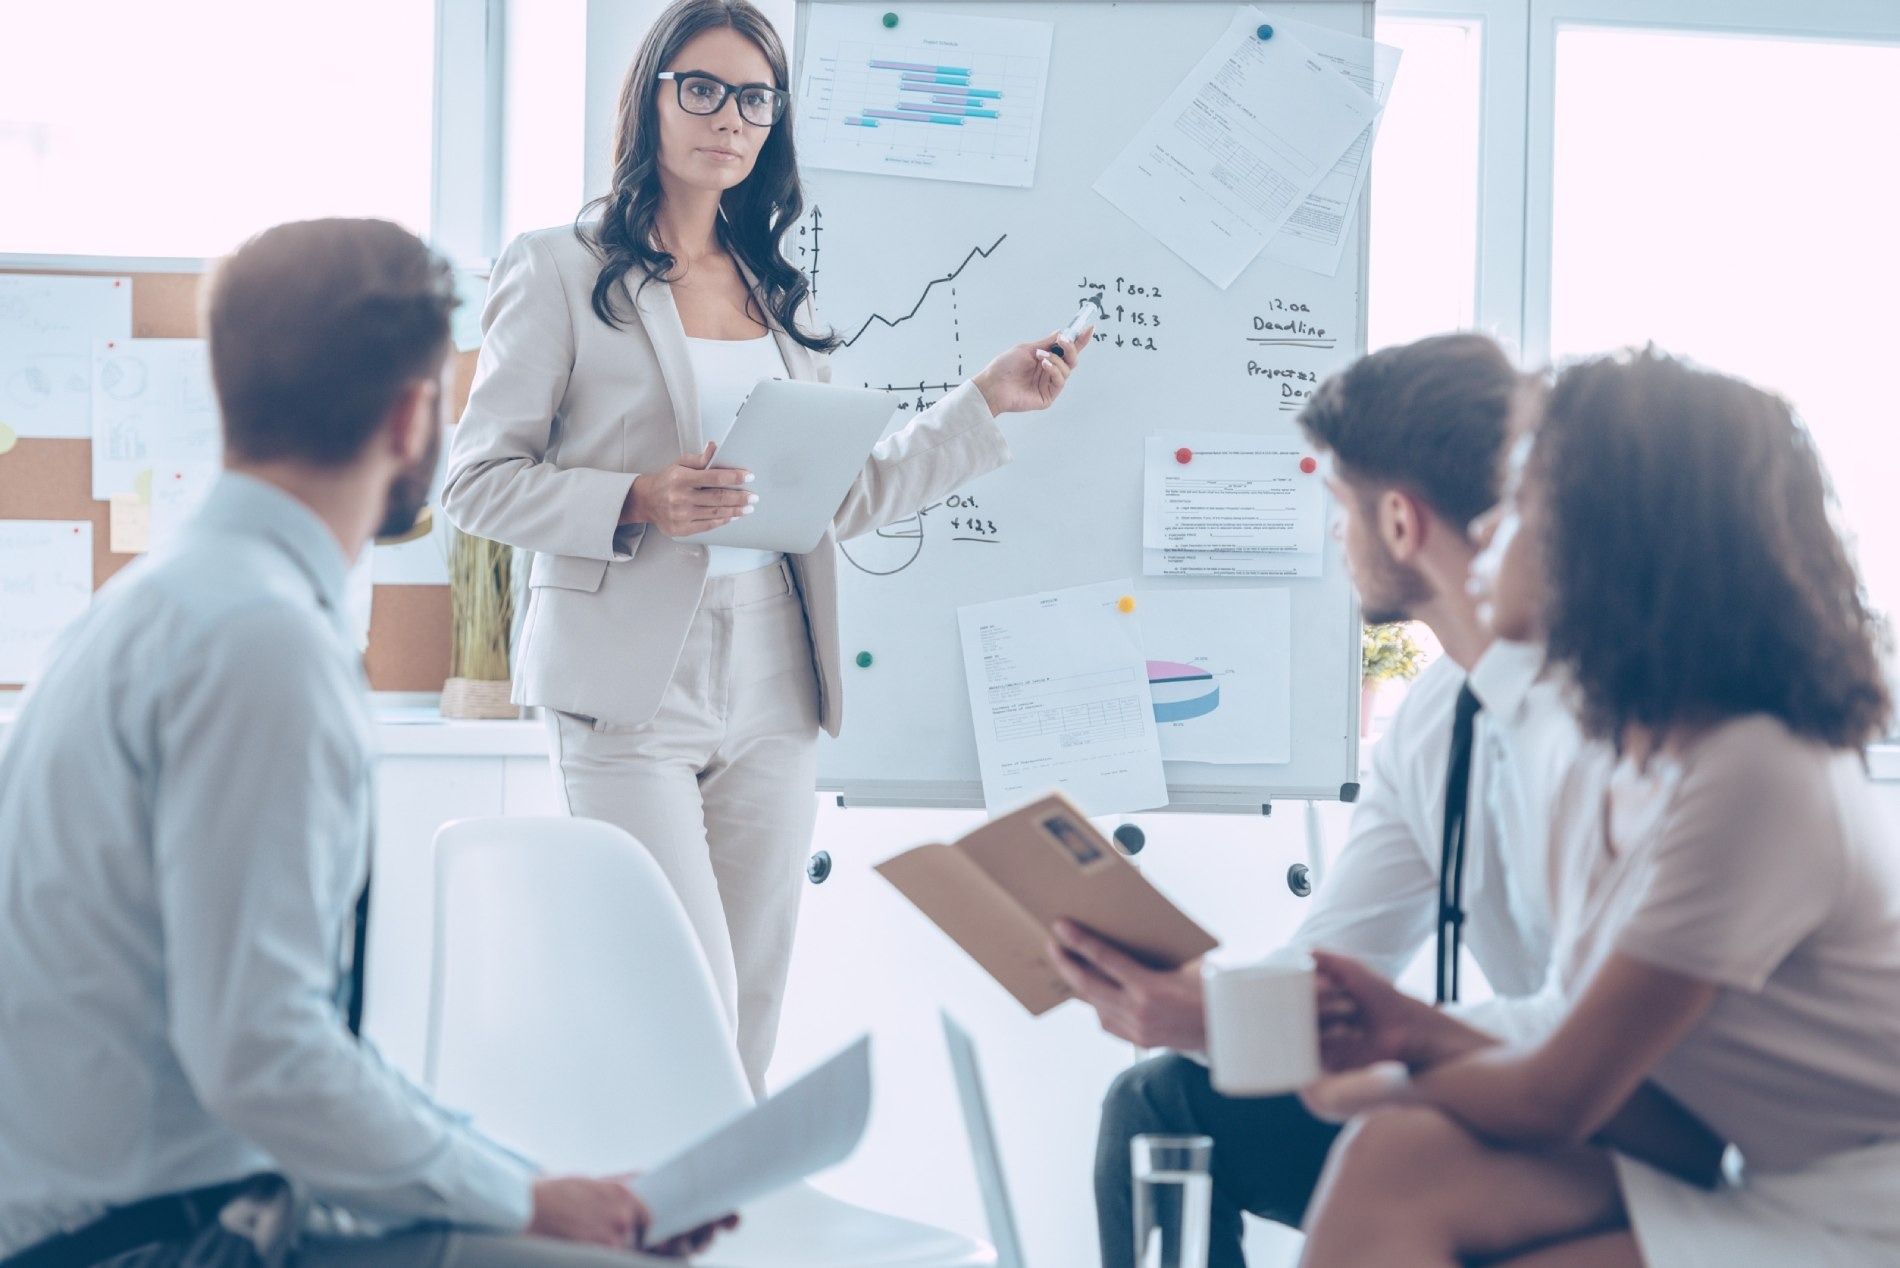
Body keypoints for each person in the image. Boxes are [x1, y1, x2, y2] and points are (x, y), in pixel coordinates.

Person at [0, 219, 733, 1266]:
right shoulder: (262, 645)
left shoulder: (157, 607)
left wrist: (524, 1183)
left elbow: (270, 1044)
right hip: (142, 1239)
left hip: (112, 1208)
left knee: (553, 1233)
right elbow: (265, 1055)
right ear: (409, 415)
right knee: (597, 1259)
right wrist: (532, 1199)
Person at [442, 0, 1090, 1093]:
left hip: (776, 668)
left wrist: (984, 404)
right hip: (627, 678)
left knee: (748, 997)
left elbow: (837, 498)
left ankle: (716, 1228)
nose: (728, 117)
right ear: (649, 96)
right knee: (673, 989)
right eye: (701, 87)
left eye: (754, 98)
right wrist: (635, 498)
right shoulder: (557, 266)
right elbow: (475, 481)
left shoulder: (775, 292)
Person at [1053, 335, 1721, 1268]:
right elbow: (1334, 961)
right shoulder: (1434, 718)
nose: (1335, 537)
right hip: (1504, 1075)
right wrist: (1193, 997)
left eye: (1338, 507)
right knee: (1160, 1102)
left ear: (1400, 523)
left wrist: (1371, 1039)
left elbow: (1598, 1038)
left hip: (1623, 1112)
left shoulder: (1622, 719)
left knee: (1389, 1139)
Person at [1299, 349, 1900, 1267]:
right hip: (1769, 1176)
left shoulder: (1753, 772)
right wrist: (1403, 1037)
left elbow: (1560, 1101)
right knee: (1399, 1158)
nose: (1491, 523)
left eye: (1523, 498)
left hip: (1868, 1205)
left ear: (1613, 533)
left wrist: (1407, 1048)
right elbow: (1671, 1122)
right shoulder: (1630, 757)